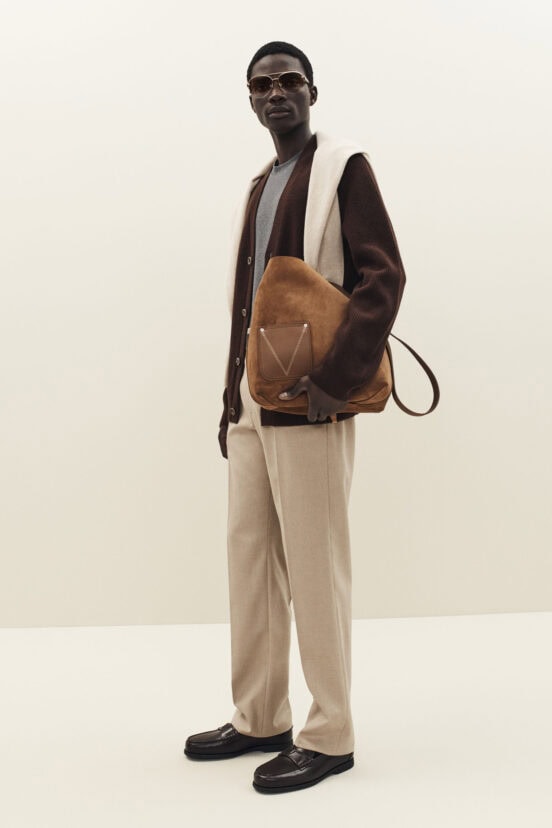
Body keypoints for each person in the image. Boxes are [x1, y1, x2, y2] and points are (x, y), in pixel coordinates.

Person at [185, 41, 406, 794]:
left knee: (315, 565)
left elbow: (384, 278)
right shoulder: (260, 184)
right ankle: (260, 716)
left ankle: (330, 734)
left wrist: (337, 381)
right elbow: (249, 302)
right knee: (249, 560)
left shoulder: (343, 169)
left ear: (312, 91)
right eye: (262, 84)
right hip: (255, 400)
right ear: (250, 100)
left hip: (312, 400)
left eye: (289, 81)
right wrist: (230, 402)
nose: (276, 92)